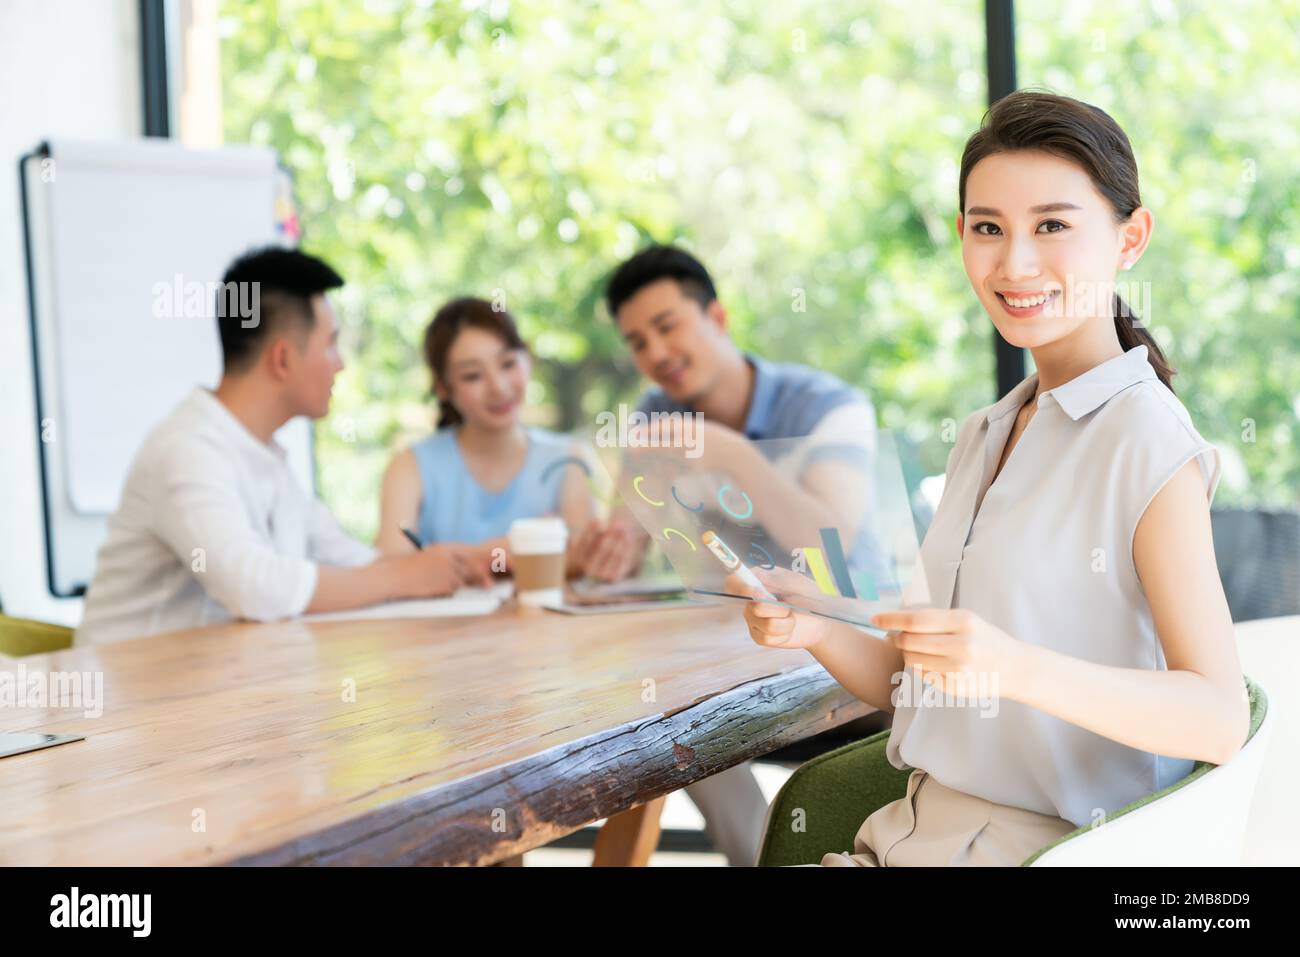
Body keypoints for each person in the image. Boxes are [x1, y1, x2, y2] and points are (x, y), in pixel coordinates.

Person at [732, 90, 1249, 866]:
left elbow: (1217, 715)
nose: (1014, 263)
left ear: (1130, 237)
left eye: (1052, 225)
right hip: (905, 839)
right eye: (987, 228)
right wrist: (813, 627)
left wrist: (1015, 665)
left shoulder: (1146, 440)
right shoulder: (987, 430)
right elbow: (920, 681)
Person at [579, 243, 880, 865]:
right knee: (666, 716)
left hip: (850, 651)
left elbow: (831, 542)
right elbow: (626, 543)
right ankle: (759, 857)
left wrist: (728, 452)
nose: (655, 354)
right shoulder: (656, 414)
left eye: (667, 327)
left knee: (682, 712)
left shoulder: (827, 405)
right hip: (731, 653)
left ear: (716, 318)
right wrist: (615, 543)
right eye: (637, 342)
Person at [78, 247, 490, 646]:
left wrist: (446, 563)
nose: (340, 363)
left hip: (212, 688)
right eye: (330, 344)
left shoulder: (263, 455)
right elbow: (254, 587)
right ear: (282, 359)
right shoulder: (187, 449)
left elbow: (343, 557)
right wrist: (403, 577)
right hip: (131, 700)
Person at [376, 297, 597, 575]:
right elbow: (391, 568)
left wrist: (458, 558)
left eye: (507, 363)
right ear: (443, 387)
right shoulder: (409, 465)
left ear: (528, 359)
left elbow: (586, 560)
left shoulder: (569, 459)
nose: (499, 387)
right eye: (472, 375)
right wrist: (518, 550)